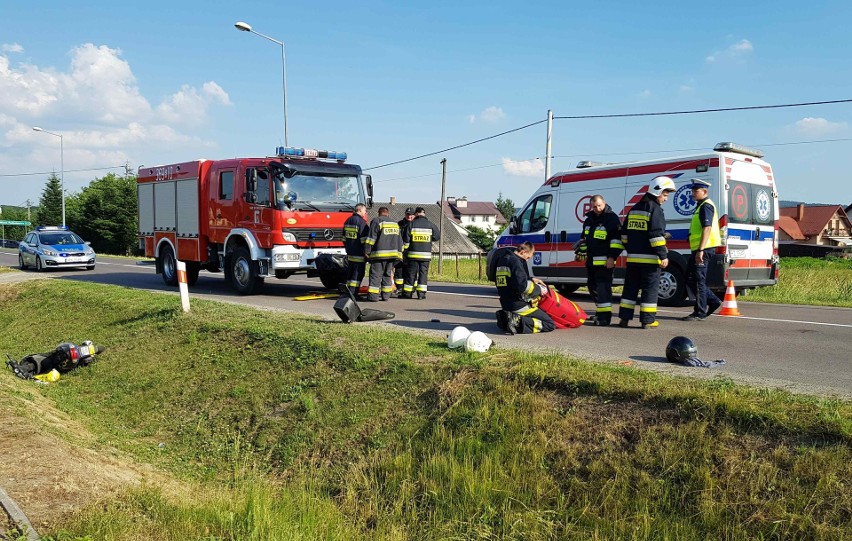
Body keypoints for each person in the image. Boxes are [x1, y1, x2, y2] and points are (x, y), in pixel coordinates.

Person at [617, 175, 677, 329]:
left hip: (633, 260)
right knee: (649, 290)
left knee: (629, 290)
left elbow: (624, 235)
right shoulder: (655, 209)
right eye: (665, 194)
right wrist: (663, 255)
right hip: (650, 261)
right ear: (657, 192)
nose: (666, 199)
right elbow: (655, 236)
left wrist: (632, 248)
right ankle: (647, 321)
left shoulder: (634, 209)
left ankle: (624, 319)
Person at [575, 195, 623, 326]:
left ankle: (604, 318)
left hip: (605, 262)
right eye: (595, 206)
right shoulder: (589, 219)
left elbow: (616, 241)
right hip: (591, 261)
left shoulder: (611, 218)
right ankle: (599, 312)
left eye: (599, 205)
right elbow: (584, 237)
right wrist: (581, 248)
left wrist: (612, 257)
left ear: (604, 203)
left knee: (603, 289)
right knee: (592, 286)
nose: (597, 209)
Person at [681, 179, 722, 321]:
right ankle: (713, 301)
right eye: (692, 191)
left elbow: (707, 228)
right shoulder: (700, 206)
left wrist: (701, 250)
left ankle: (699, 312)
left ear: (704, 191)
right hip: (699, 249)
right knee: (690, 278)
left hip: (703, 249)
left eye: (695, 191)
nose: (692, 194)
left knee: (698, 280)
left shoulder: (706, 206)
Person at [494, 241, 555, 334]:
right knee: (549, 324)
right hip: (518, 305)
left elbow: (512, 279)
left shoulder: (503, 260)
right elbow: (522, 287)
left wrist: (531, 279)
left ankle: (507, 318)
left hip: (506, 303)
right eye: (528, 257)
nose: (527, 260)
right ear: (523, 252)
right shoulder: (515, 262)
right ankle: (517, 322)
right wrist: (539, 289)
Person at [364, 206, 403, 301]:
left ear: (379, 213)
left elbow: (371, 238)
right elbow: (400, 241)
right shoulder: (394, 223)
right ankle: (386, 296)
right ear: (388, 213)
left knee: (376, 275)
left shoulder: (377, 221)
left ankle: (373, 297)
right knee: (387, 274)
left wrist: (367, 251)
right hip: (393, 255)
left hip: (379, 255)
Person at [402, 207, 441, 299]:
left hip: (413, 255)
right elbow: (437, 236)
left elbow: (406, 241)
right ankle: (421, 294)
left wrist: (405, 251)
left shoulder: (411, 224)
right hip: (425, 255)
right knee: (423, 274)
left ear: (416, 214)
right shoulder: (430, 225)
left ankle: (408, 293)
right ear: (424, 214)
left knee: (411, 274)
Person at [342, 203, 369, 297]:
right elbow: (365, 240)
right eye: (365, 211)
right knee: (357, 275)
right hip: (359, 254)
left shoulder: (347, 221)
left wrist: (348, 248)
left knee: (350, 274)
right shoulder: (361, 223)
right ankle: (353, 294)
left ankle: (348, 292)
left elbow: (344, 238)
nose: (365, 213)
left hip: (350, 253)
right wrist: (367, 252)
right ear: (360, 210)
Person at [393, 208, 415, 296]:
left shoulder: (415, 224)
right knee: (399, 270)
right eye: (408, 214)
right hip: (400, 251)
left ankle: (410, 288)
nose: (409, 216)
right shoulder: (399, 224)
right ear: (405, 214)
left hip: (411, 251)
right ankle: (399, 288)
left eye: (411, 215)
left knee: (409, 271)